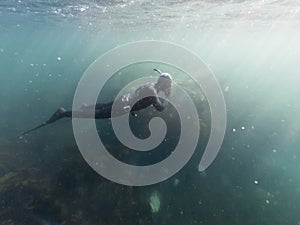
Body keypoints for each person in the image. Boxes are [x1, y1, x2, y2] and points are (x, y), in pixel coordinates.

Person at [21, 69, 173, 136]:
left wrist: (132, 109)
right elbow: (160, 108)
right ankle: (63, 113)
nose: (169, 87)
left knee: (102, 105)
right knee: (94, 115)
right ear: (165, 84)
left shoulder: (150, 85)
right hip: (122, 107)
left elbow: (138, 98)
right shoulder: (154, 93)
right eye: (169, 85)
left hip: (123, 100)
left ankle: (85, 106)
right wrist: (167, 99)